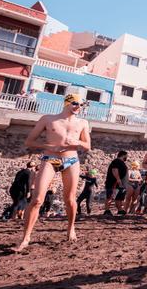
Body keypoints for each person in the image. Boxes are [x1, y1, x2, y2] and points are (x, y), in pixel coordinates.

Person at [13, 93, 91, 252]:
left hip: (71, 160)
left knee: (69, 199)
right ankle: (26, 237)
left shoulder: (82, 122)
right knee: (37, 199)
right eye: (75, 103)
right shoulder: (48, 119)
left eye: (81, 105)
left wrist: (77, 142)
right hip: (51, 158)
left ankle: (70, 228)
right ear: (67, 103)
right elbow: (29, 141)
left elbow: (87, 145)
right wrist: (49, 146)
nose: (78, 107)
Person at [103, 151, 129, 215]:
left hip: (118, 183)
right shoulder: (116, 161)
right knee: (110, 196)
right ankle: (107, 210)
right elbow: (114, 170)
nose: (127, 157)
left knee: (118, 197)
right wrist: (118, 180)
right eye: (126, 156)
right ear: (123, 155)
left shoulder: (121, 162)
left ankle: (120, 210)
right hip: (113, 182)